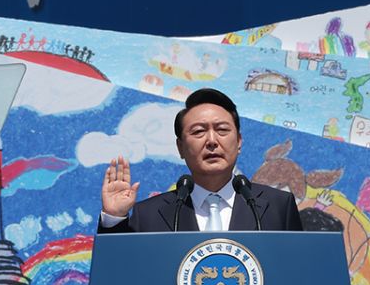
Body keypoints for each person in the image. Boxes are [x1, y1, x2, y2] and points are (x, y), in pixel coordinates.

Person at [97, 88, 303, 233]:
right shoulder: (150, 214)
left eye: (222, 130)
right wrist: (114, 218)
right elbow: (121, 272)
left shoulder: (278, 206)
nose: (212, 141)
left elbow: (297, 272)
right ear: (180, 147)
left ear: (239, 142)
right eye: (198, 132)